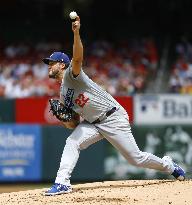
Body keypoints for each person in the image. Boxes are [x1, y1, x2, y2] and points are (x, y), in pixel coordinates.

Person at [42, 16, 185, 196]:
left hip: (113, 118)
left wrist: (76, 32)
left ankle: (168, 165)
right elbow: (74, 124)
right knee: (72, 142)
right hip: (93, 123)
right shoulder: (63, 93)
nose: (49, 65)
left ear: (62, 64)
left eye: (52, 62)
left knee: (135, 159)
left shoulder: (72, 74)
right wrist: (64, 119)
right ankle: (62, 183)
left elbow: (77, 57)